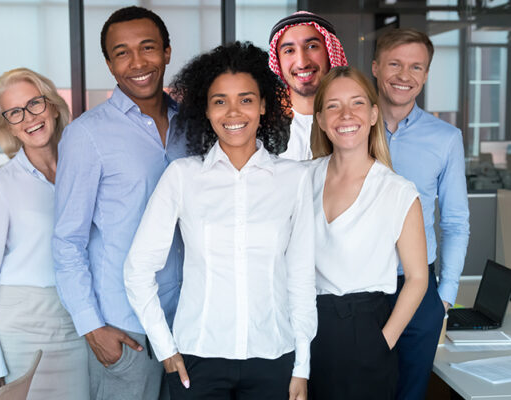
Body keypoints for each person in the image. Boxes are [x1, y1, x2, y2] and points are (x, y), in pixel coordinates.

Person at [124, 41, 316, 400]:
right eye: (219, 101)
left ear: (263, 106)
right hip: (198, 358)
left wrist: (301, 366)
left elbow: (301, 277)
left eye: (245, 99)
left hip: (274, 356)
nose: (233, 112)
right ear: (206, 111)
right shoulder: (182, 176)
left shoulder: (295, 179)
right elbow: (137, 270)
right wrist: (165, 348)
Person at [52, 6, 185, 400]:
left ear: (167, 52)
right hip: (125, 330)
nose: (138, 62)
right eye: (122, 52)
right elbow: (67, 241)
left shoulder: (194, 126)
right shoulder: (86, 135)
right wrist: (92, 327)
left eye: (148, 48)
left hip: (187, 322)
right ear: (109, 64)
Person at [308, 66, 428, 399]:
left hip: (364, 333)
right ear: (319, 119)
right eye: (333, 105)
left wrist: (383, 341)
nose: (345, 114)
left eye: (357, 103)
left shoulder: (397, 192)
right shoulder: (301, 179)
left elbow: (418, 278)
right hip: (304, 330)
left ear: (374, 114)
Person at [0, 68, 89, 399]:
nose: (29, 118)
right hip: (23, 324)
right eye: (15, 113)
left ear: (51, 105)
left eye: (34, 104)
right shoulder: (1, 186)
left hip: (77, 319)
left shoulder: (83, 169)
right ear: (8, 126)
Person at [372, 28, 470, 400]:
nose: (404, 75)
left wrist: (444, 296)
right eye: (395, 64)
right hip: (359, 288)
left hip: (419, 286)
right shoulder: (351, 130)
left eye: (416, 67)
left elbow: (456, 222)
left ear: (425, 75)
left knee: (410, 393)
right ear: (376, 67)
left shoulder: (445, 138)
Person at [268, 10, 348, 160]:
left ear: (329, 53)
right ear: (278, 61)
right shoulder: (263, 121)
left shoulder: (353, 119)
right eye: (289, 50)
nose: (302, 62)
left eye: (312, 46)